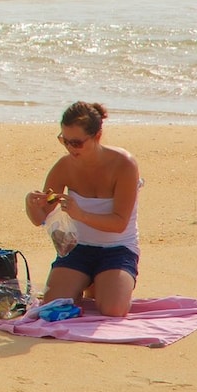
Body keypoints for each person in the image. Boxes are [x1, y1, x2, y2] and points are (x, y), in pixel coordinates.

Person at [24, 101, 141, 317]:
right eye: (64, 141)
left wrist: (80, 214)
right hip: (77, 248)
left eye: (77, 143)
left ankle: (101, 281)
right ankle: (92, 279)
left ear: (97, 135)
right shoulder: (63, 166)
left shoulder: (123, 164)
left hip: (117, 248)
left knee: (113, 310)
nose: (70, 148)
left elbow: (119, 223)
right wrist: (30, 205)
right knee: (53, 305)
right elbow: (41, 218)